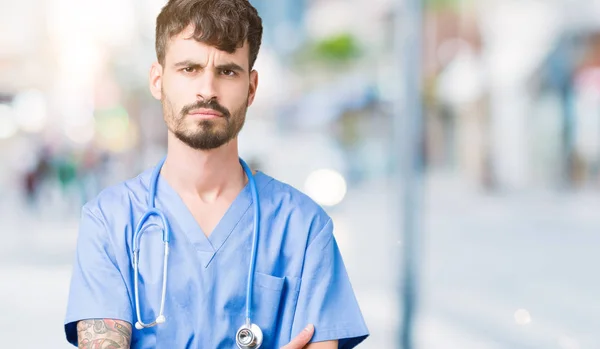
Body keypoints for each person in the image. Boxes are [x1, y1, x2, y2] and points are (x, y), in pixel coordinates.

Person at [63, 0, 369, 348]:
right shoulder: (109, 221)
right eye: (189, 69)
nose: (207, 90)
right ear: (158, 80)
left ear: (252, 88)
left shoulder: (304, 228)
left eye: (227, 71)